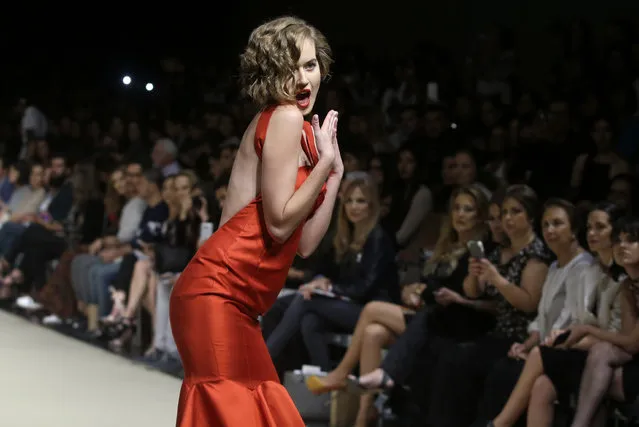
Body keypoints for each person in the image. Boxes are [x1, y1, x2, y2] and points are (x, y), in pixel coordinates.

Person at [169, 16, 342, 427]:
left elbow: (304, 244)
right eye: (289, 67)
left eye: (310, 65)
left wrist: (333, 174)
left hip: (238, 303)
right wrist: (324, 167)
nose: (302, 78)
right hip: (217, 293)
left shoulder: (301, 133)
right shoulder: (284, 117)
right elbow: (280, 224)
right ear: (270, 73)